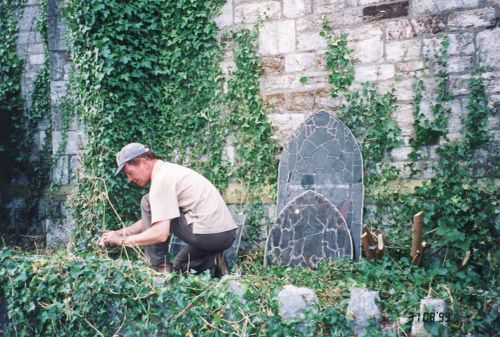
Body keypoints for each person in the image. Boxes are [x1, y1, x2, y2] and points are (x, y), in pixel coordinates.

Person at [98, 143, 237, 276]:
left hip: (209, 234)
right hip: (224, 236)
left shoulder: (161, 180)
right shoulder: (168, 171)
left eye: (129, 172)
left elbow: (160, 233)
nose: (129, 179)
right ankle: (215, 263)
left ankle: (159, 267)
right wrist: (119, 233)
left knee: (147, 201)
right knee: (179, 267)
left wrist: (123, 241)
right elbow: (157, 218)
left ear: (143, 161)